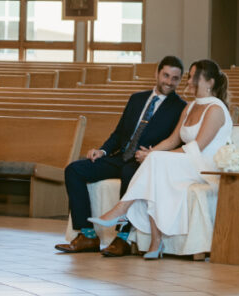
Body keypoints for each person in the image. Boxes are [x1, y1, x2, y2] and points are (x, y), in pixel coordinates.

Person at [88, 58, 232, 259]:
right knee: (154, 169)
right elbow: (173, 139)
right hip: (187, 163)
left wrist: (155, 156)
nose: (188, 82)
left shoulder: (215, 109)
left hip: (204, 166)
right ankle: (155, 243)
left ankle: (122, 209)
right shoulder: (190, 107)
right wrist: (152, 153)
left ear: (209, 82)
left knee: (155, 162)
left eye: (192, 77)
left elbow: (197, 147)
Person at [54, 55, 185, 256]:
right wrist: (103, 151)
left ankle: (122, 238)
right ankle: (88, 235)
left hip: (145, 161)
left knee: (129, 174)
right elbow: (118, 133)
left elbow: (177, 141)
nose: (169, 81)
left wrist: (153, 154)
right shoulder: (137, 99)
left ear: (180, 80)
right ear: (157, 74)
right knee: (74, 170)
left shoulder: (180, 108)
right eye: (166, 75)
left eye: (175, 78)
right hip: (120, 156)